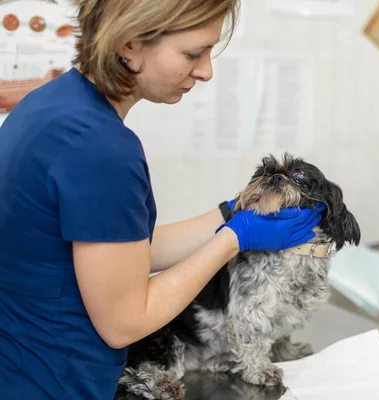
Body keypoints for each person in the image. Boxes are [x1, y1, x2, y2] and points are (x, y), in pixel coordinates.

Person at [0, 1, 324, 399]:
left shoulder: (52, 104)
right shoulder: (101, 149)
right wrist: (233, 239)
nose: (206, 71)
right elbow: (124, 321)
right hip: (56, 383)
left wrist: (231, 213)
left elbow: (117, 258)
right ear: (130, 44)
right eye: (193, 53)